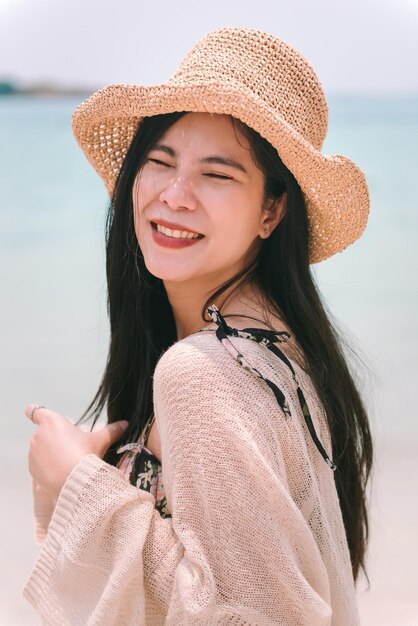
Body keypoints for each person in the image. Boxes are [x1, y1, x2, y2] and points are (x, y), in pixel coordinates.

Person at [23, 27, 373, 625]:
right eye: (160, 161)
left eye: (218, 173)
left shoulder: (204, 372)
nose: (175, 194)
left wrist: (75, 487)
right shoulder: (283, 352)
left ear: (272, 209)